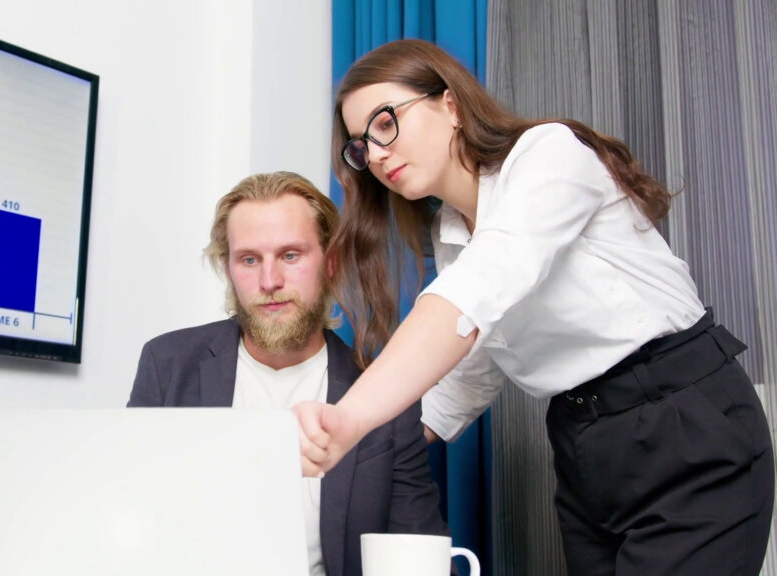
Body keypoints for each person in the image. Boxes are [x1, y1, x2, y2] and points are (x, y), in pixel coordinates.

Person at [296, 39, 774, 575]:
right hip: (584, 446)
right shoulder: (451, 235)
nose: (377, 154)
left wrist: (349, 416)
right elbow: (468, 376)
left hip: (681, 424)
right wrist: (347, 443)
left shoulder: (549, 154)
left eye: (385, 123)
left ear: (451, 106)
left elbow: (481, 287)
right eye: (361, 146)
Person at [128, 171, 452, 576]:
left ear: (330, 263)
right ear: (228, 268)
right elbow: (128, 523)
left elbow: (422, 554)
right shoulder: (166, 366)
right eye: (249, 260)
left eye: (290, 256)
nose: (270, 282)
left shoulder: (383, 395)